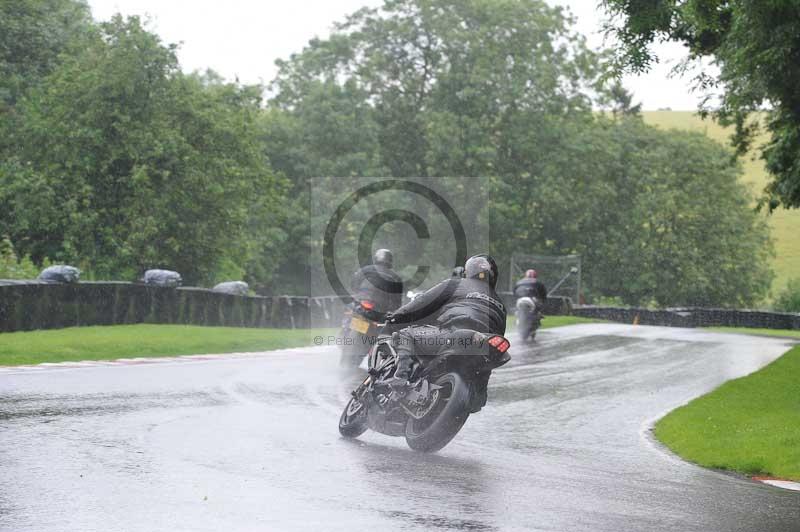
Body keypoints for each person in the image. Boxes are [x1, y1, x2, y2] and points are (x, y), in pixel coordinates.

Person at [383, 254, 507, 411]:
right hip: (481, 345)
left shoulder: (456, 284)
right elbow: (498, 338)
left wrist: (397, 316)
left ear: (469, 270)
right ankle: (472, 396)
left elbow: (423, 302)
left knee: (406, 336)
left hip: (453, 335)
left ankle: (400, 378)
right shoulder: (501, 305)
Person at [350, 249, 404, 315]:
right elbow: (397, 300)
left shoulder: (364, 270)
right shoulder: (395, 277)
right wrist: (393, 310)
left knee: (350, 315)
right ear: (390, 260)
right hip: (380, 306)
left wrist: (358, 294)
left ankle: (346, 323)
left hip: (360, 301)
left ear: (376, 258)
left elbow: (353, 285)